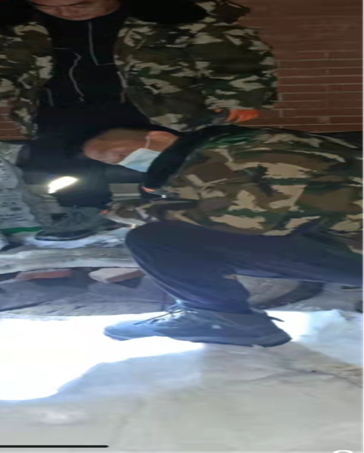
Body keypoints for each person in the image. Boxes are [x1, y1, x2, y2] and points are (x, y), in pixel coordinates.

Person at [0, 0, 277, 239]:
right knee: (62, 162)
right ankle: (83, 210)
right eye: (50, 8)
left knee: (169, 156)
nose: (65, 14)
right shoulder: (5, 25)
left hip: (158, 103)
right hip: (59, 105)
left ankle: (175, 210)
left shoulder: (175, 17)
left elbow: (232, 58)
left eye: (79, 5)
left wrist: (239, 97)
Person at [80, 125, 364, 347]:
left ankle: (220, 319)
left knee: (158, 240)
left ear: (160, 136)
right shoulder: (255, 141)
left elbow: (243, 221)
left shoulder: (220, 160)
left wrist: (130, 211)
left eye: (119, 153)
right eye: (110, 161)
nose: (122, 162)